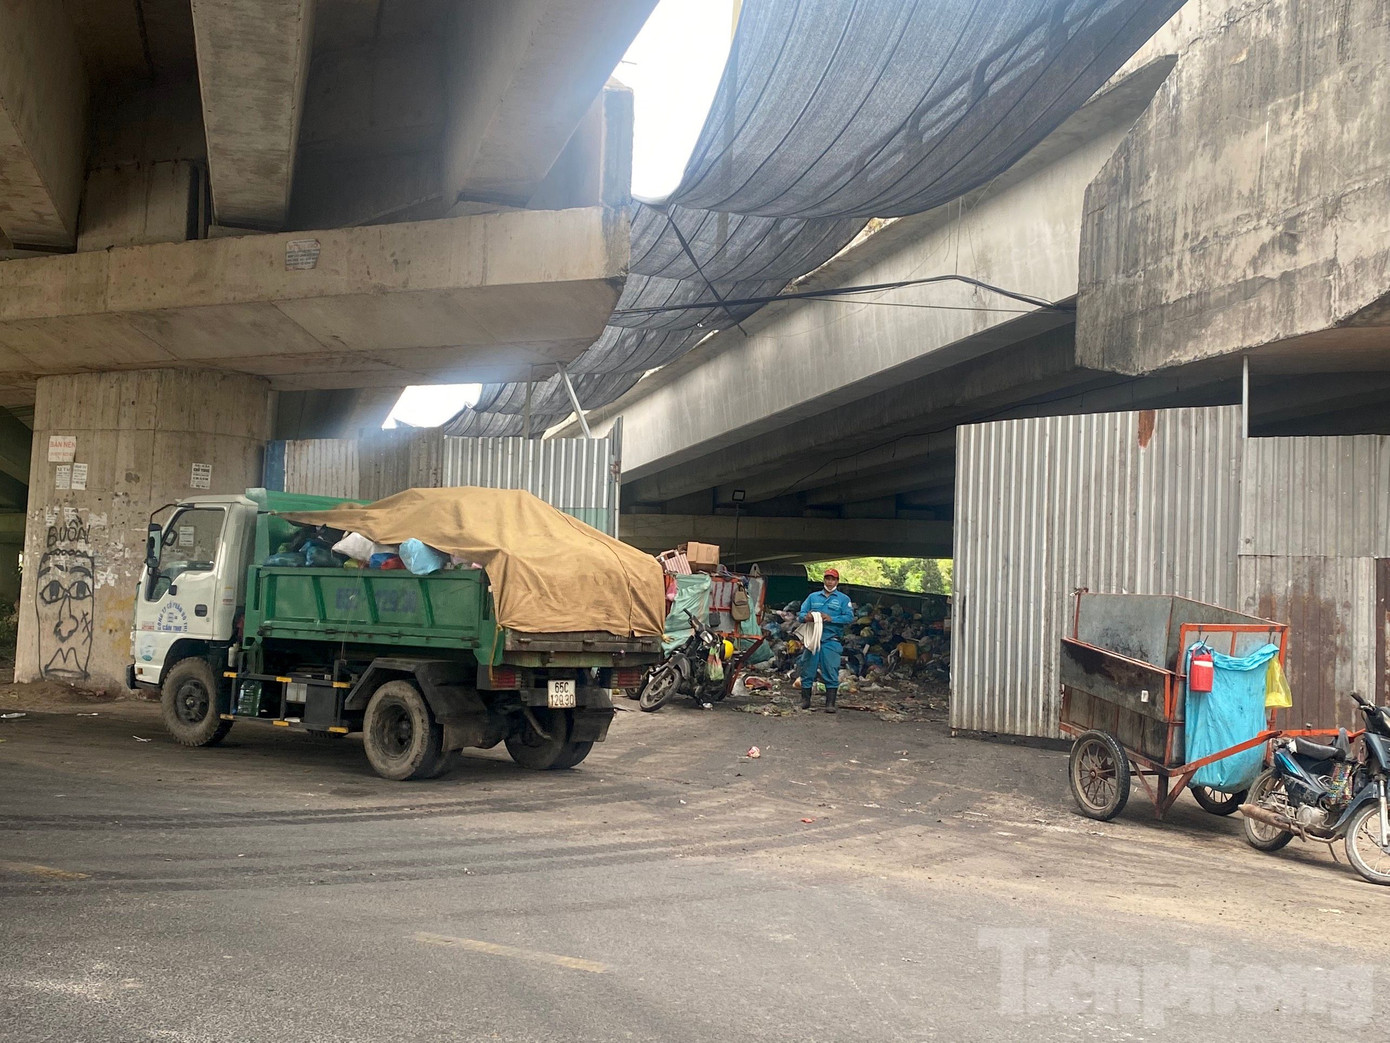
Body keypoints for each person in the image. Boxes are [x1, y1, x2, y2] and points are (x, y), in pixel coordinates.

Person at [798, 568, 854, 712]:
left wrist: (831, 618)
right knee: (808, 669)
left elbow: (849, 617)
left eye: (833, 579)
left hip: (831, 639)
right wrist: (807, 617)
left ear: (837, 581)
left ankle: (830, 703)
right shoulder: (813, 597)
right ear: (824, 580)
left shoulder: (843, 599)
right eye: (827, 579)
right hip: (812, 639)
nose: (830, 582)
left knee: (831, 669)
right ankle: (805, 700)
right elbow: (801, 614)